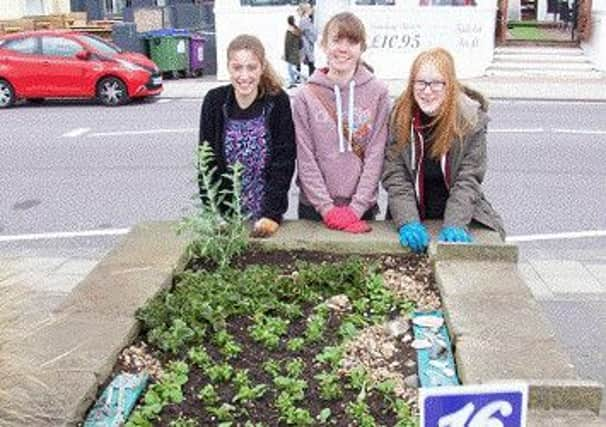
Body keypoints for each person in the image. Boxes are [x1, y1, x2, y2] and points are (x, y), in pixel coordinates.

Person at [382, 47, 504, 253]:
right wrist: (407, 221)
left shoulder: (470, 121)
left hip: (462, 214)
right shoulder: (399, 117)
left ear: (450, 85)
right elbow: (395, 175)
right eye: (421, 82)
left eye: (437, 83)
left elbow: (469, 179)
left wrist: (456, 223)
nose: (427, 90)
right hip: (414, 213)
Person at [293, 12, 390, 233]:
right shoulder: (306, 96)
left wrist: (355, 209)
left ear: (362, 48)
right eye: (336, 40)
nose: (343, 49)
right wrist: (327, 209)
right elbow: (305, 157)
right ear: (324, 44)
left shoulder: (378, 93)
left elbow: (375, 155)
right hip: (314, 210)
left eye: (352, 42)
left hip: (362, 208)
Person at [198, 34, 296, 238]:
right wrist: (216, 213)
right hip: (226, 216)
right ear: (228, 67)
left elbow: (284, 160)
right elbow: (206, 162)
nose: (244, 76)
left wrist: (271, 214)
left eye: (251, 67)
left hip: (266, 216)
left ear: (261, 68)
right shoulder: (214, 102)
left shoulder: (277, 101)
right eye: (237, 67)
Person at [297, 2, 317, 78]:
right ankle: (310, 76)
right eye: (310, 9)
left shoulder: (305, 20)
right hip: (306, 43)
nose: (312, 10)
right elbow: (309, 32)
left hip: (306, 43)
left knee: (307, 60)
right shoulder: (305, 20)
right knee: (309, 60)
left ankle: (300, 76)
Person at [284, 15, 302, 88]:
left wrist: (286, 54)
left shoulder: (289, 31)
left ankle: (295, 79)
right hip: (296, 51)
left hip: (291, 52)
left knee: (290, 68)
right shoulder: (296, 29)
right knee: (292, 67)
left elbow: (287, 44)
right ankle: (296, 79)